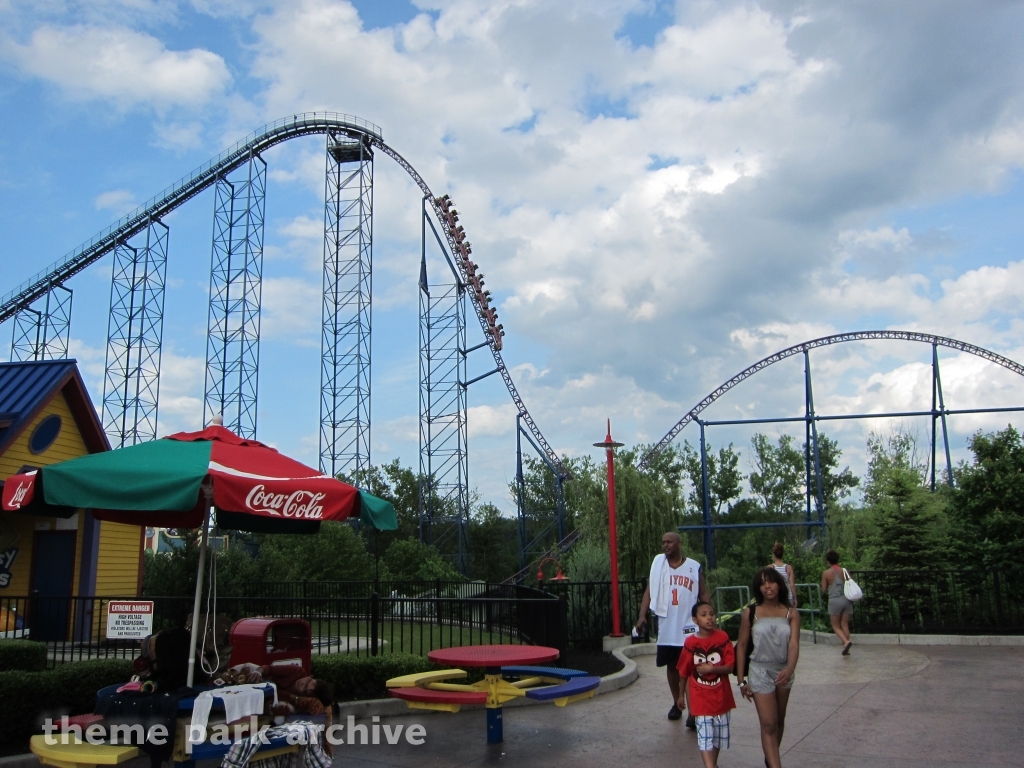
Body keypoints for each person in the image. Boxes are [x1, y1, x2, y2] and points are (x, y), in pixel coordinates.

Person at [636, 531, 711, 727]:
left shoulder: (693, 567)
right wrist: (642, 615)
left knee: (691, 669)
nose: (665, 545)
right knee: (672, 667)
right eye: (663, 542)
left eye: (669, 542)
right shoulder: (659, 567)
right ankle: (677, 703)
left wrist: (708, 617)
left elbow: (703, 593)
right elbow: (649, 592)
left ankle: (693, 712)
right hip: (667, 626)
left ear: (678, 544)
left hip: (689, 627)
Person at [736, 567, 801, 768]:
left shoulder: (791, 613)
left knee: (779, 721)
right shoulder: (751, 612)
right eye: (763, 583)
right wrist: (741, 679)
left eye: (771, 582)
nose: (767, 587)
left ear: (779, 585)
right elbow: (742, 646)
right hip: (759, 670)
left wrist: (790, 669)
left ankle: (770, 756)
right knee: (769, 723)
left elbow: (793, 644)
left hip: (783, 670)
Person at [676, 601, 736, 768]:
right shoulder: (690, 644)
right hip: (700, 698)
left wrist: (712, 668)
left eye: (711, 614)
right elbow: (683, 671)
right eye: (704, 615)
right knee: (704, 736)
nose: (709, 618)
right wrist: (680, 694)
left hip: (721, 698)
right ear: (695, 620)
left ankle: (713, 764)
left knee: (718, 736)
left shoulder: (723, 638)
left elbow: (730, 667)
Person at [821, 549, 853, 655]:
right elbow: (851, 583)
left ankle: (846, 642)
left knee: (835, 626)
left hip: (834, 600)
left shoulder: (826, 573)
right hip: (846, 599)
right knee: (844, 624)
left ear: (828, 561)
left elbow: (824, 589)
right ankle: (846, 647)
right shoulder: (845, 571)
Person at [771, 542, 797, 607]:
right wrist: (795, 598)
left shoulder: (770, 568)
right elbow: (792, 585)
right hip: (788, 595)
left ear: (774, 555)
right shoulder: (788, 568)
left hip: (776, 596)